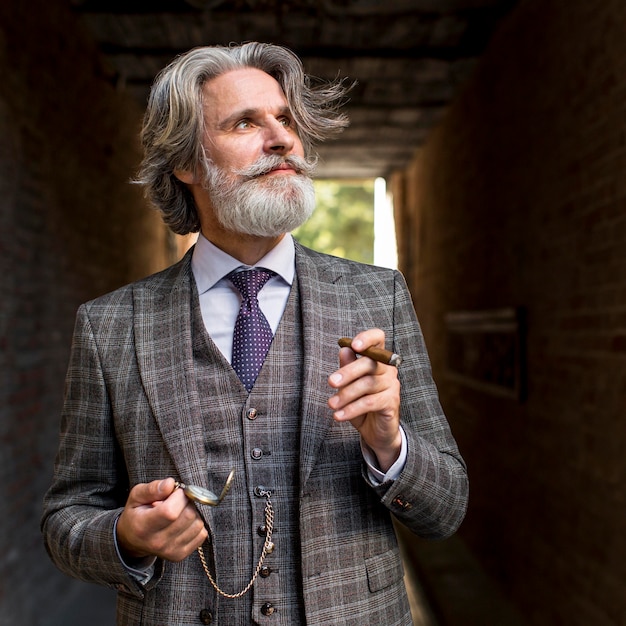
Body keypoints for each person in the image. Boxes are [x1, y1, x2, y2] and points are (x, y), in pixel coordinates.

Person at [42, 42, 468, 626]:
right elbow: (66, 518)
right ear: (187, 163)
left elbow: (446, 511)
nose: (283, 138)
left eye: (286, 119)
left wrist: (390, 446)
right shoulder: (110, 325)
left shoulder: (377, 295)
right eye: (246, 121)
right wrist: (125, 535)